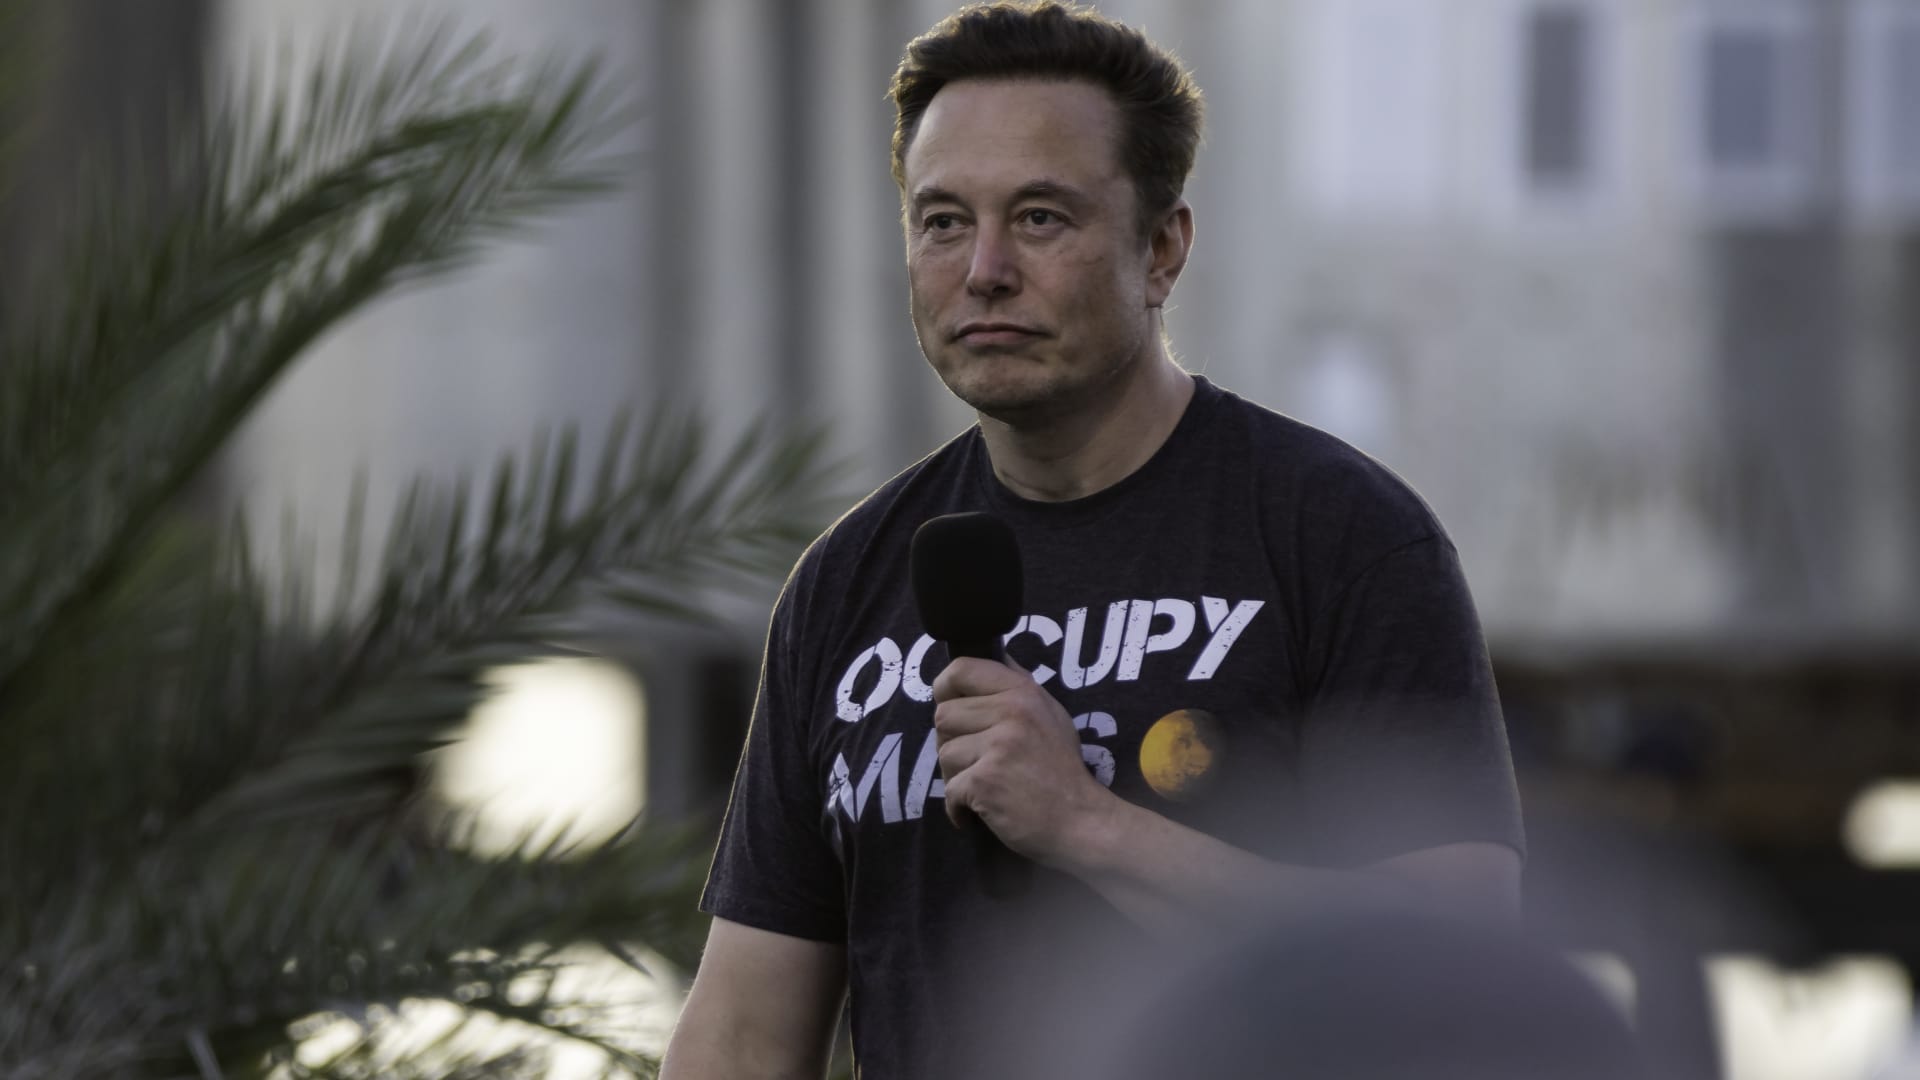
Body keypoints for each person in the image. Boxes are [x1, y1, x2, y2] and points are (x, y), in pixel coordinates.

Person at [661, 3, 1526, 1077]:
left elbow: (1457, 973)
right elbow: (743, 1035)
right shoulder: (848, 581)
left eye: (1039, 218)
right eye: (942, 221)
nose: (983, 268)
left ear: (1162, 250)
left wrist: (1087, 825)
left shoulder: (1338, 536)